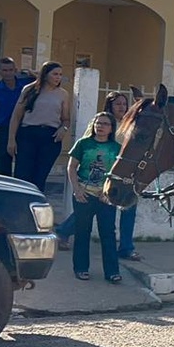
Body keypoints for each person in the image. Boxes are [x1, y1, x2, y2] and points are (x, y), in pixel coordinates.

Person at [57, 92, 139, 258]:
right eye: (118, 104)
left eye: (124, 104)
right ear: (109, 105)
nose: (122, 107)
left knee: (129, 207)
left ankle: (126, 247)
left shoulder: (131, 124)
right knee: (89, 208)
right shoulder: (105, 123)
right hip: (102, 176)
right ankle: (64, 231)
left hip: (126, 172)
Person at [67, 112, 121, 282]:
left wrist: (109, 194)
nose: (100, 126)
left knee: (108, 234)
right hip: (84, 194)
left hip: (105, 197)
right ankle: (81, 268)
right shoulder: (83, 144)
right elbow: (71, 167)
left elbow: (118, 174)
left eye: (105, 124)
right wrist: (77, 190)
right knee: (82, 232)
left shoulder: (116, 148)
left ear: (111, 128)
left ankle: (112, 272)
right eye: (98, 123)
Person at [8, 61, 72, 193]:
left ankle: (36, 208)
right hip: (28, 135)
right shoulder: (29, 90)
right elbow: (16, 116)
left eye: (60, 74)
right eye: (54, 74)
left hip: (50, 137)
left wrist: (63, 129)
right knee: (22, 175)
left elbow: (66, 119)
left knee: (40, 177)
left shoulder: (63, 94)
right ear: (45, 75)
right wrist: (11, 139)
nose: (58, 77)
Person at [0, 57, 32, 176]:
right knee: (2, 164)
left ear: (15, 70)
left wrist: (29, 72)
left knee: (23, 161)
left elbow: (43, 78)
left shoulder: (25, 84)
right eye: (5, 70)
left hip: (23, 128)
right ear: (0, 72)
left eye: (10, 70)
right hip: (4, 129)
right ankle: (2, 190)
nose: (8, 73)